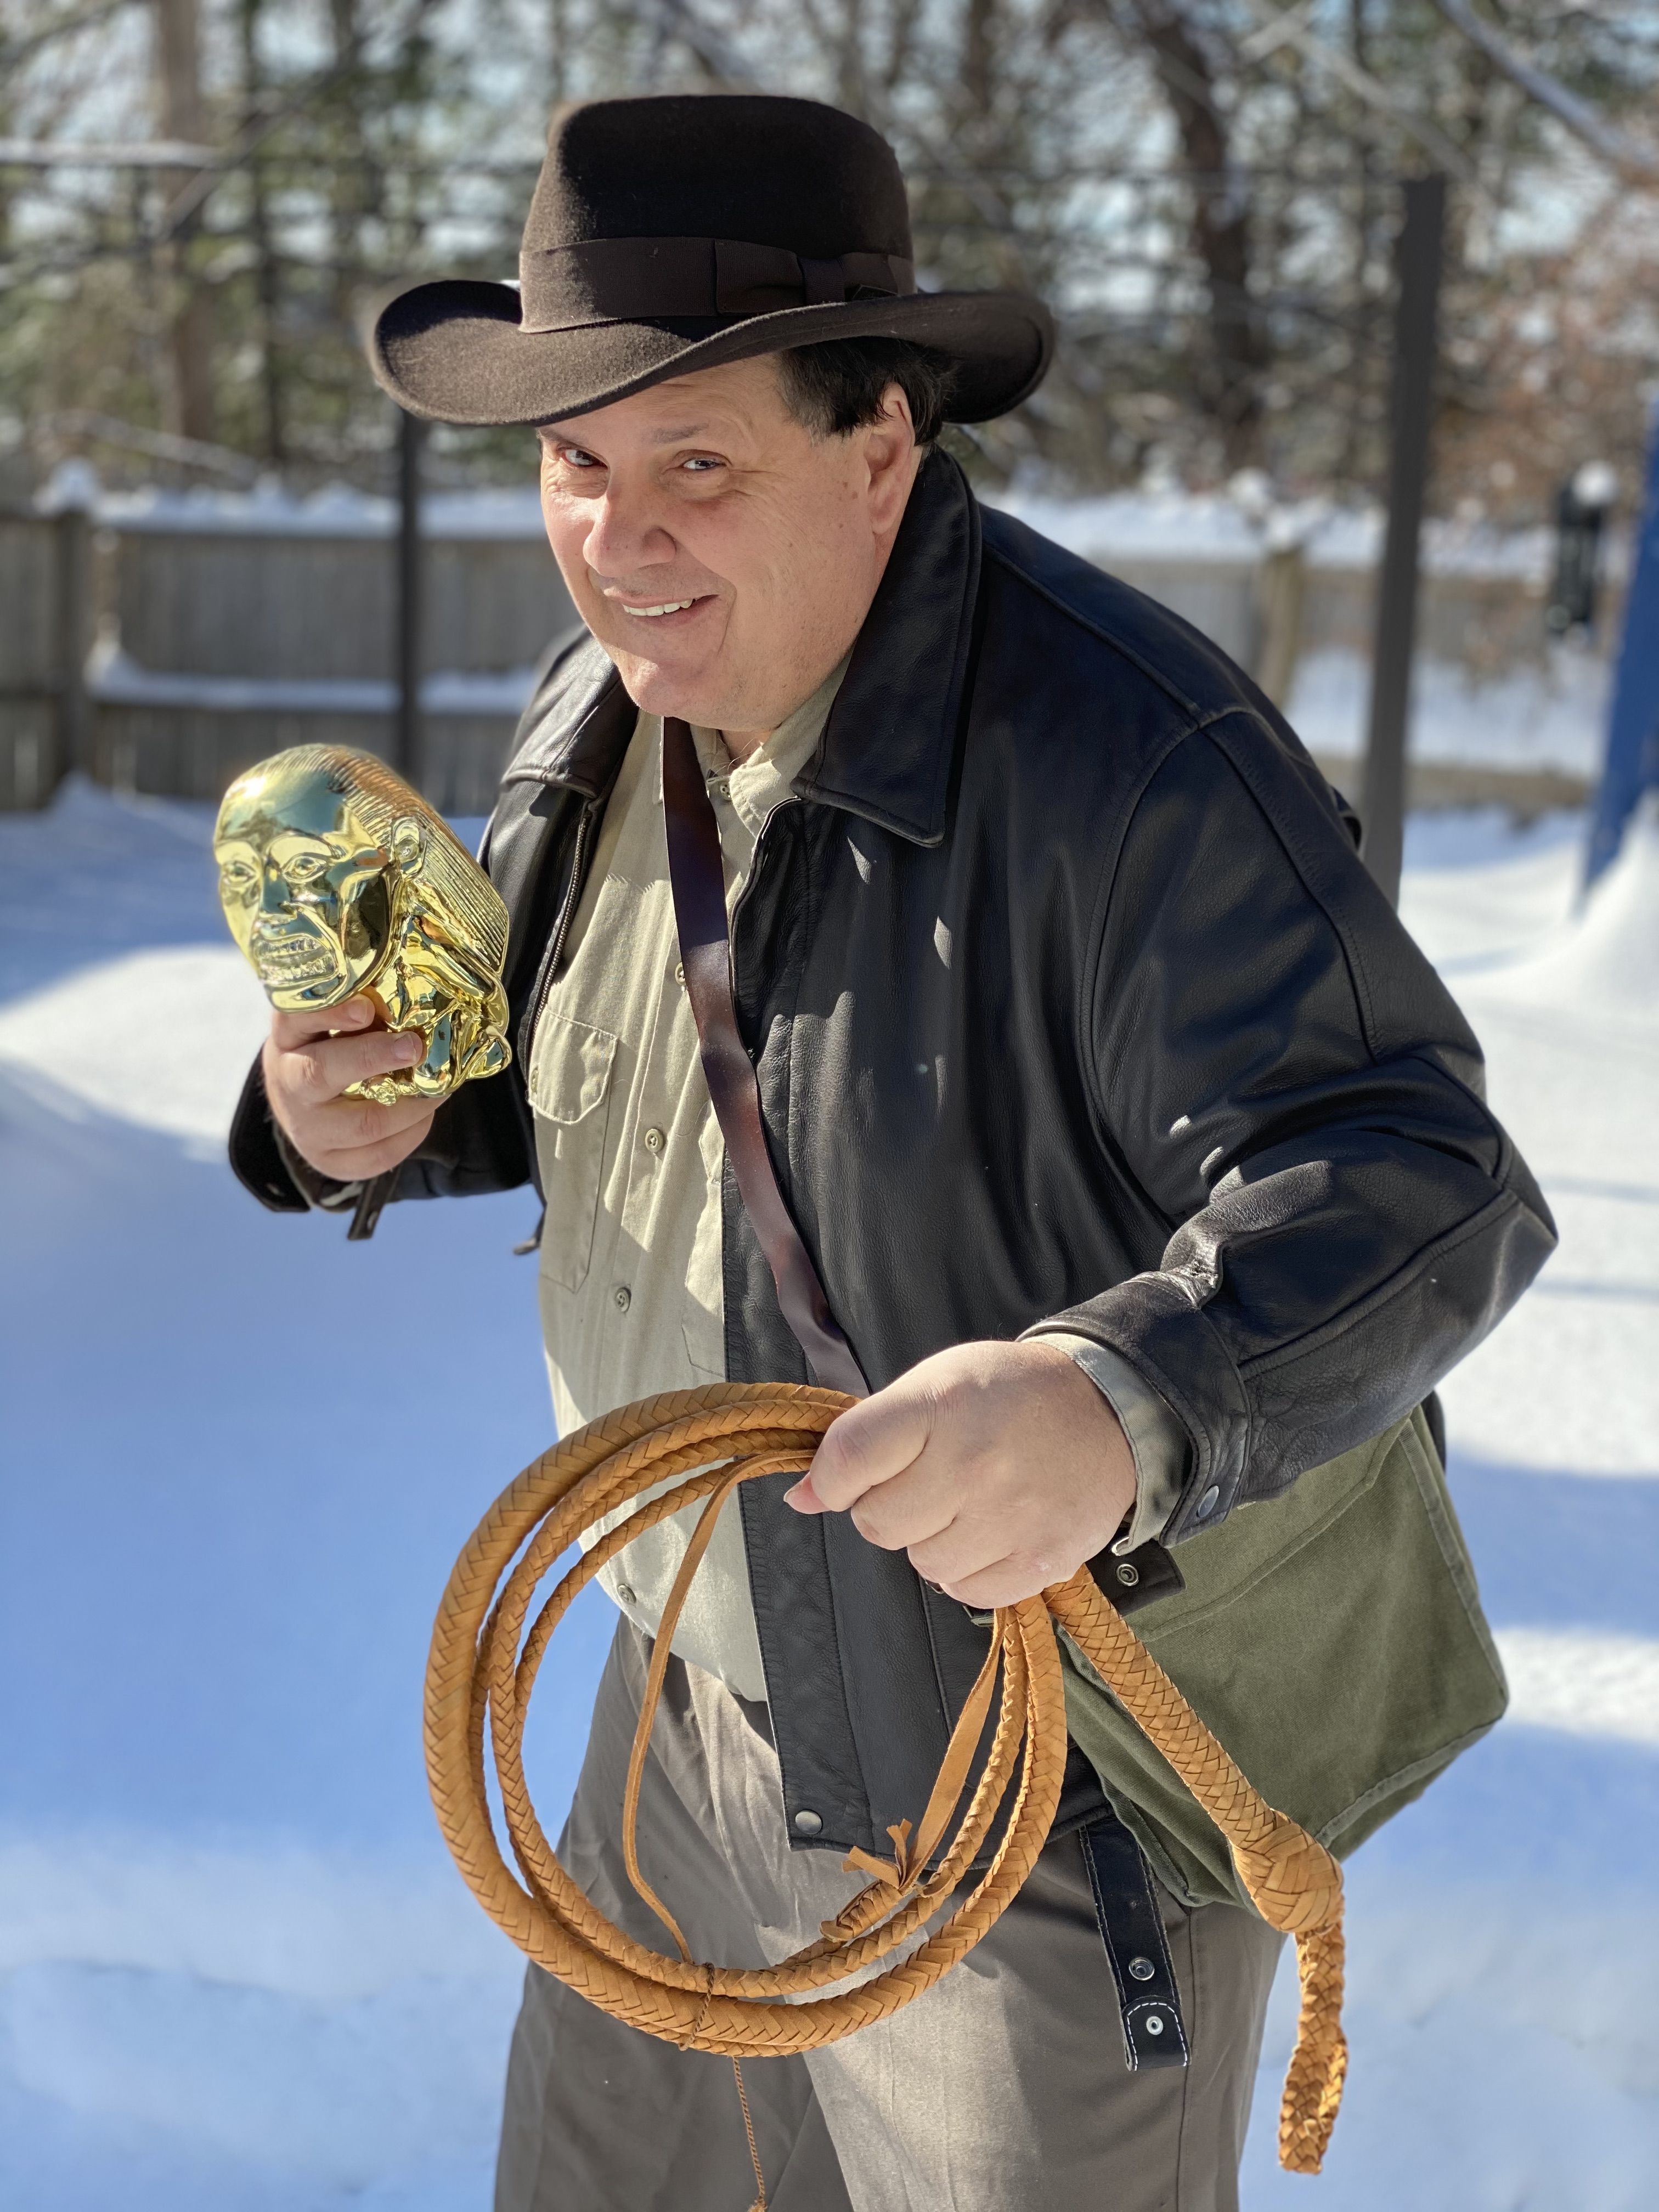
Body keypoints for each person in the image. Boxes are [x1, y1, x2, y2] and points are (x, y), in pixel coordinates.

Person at [230, 92, 1555, 2212]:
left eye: (696, 464)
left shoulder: (1130, 764)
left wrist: (1117, 1403)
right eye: (576, 464)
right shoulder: (607, 702)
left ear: (880, 451)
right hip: (678, 1708)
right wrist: (342, 1116)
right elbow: (597, 1074)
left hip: (1018, 1785)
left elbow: (1422, 1176)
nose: (619, 536)